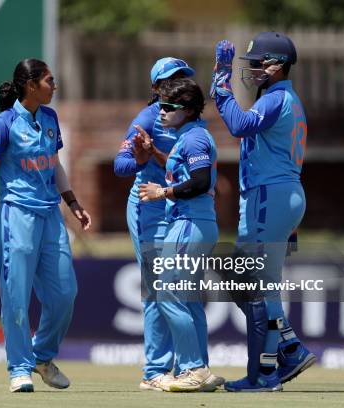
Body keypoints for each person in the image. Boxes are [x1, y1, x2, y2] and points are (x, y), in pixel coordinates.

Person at [0, 58, 91, 393]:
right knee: (16, 297)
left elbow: (54, 166)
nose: (55, 87)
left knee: (65, 292)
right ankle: (19, 368)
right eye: (50, 81)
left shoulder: (51, 118)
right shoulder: (5, 122)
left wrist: (73, 203)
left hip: (51, 214)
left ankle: (42, 356)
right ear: (30, 84)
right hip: (16, 216)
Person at [210, 32, 315, 392]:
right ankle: (288, 347)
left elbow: (239, 125)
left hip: (270, 195)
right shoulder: (282, 97)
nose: (253, 69)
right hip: (278, 195)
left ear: (279, 65)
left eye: (259, 63)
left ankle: (269, 371)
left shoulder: (277, 97)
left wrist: (221, 86)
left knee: (254, 281)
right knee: (254, 280)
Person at [113, 57, 200, 392]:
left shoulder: (191, 121)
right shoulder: (148, 117)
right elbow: (119, 166)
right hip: (148, 208)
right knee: (156, 289)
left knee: (177, 289)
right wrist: (139, 158)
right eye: (170, 80)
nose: (177, 84)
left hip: (176, 207)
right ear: (155, 88)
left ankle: (186, 367)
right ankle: (154, 371)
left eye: (182, 78)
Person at [138, 77, 223, 392]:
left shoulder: (195, 139)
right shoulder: (189, 136)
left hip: (189, 224)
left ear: (187, 110)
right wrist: (155, 152)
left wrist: (163, 192)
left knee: (167, 294)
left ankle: (192, 368)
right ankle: (200, 369)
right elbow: (191, 172)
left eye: (168, 107)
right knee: (186, 299)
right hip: (192, 223)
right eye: (159, 106)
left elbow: (200, 182)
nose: (160, 112)